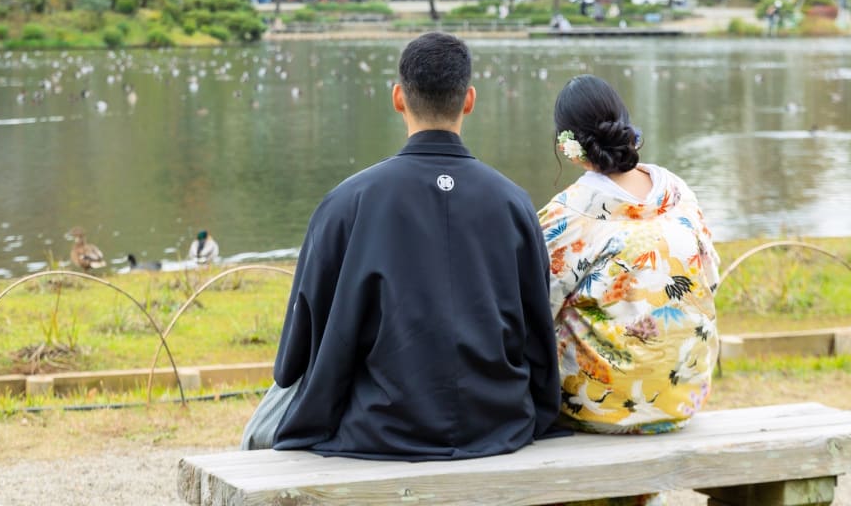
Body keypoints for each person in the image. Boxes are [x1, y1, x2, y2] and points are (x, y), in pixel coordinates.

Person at [242, 31, 561, 459]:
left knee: (261, 426)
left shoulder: (347, 202)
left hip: (378, 428)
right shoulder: (513, 204)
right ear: (469, 100)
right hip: (498, 424)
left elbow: (292, 359)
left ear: (397, 98)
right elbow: (539, 338)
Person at [538, 75, 719, 437]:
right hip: (683, 393)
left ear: (566, 144)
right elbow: (710, 277)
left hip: (598, 405)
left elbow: (534, 307)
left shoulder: (568, 215)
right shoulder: (677, 192)